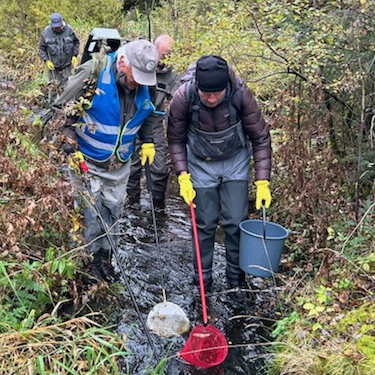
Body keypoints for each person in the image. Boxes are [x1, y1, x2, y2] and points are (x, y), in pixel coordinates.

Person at [50, 39, 159, 280]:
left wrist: (148, 139)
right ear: (122, 62)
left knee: (113, 214)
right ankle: (85, 268)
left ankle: (105, 261)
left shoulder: (145, 81)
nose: (138, 83)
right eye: (135, 76)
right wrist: (70, 149)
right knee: (89, 216)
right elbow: (60, 113)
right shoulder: (93, 73)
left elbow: (149, 111)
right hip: (86, 161)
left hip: (120, 165)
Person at [167, 54, 272, 295]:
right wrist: (183, 175)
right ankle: (202, 281)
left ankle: (236, 278)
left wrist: (263, 180)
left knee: (236, 220)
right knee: (204, 223)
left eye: (217, 93)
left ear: (226, 87)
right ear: (198, 88)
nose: (212, 99)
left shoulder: (240, 95)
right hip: (201, 164)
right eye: (207, 94)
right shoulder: (183, 97)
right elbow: (175, 140)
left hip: (235, 161)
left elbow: (261, 138)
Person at [127, 34, 179, 210]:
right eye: (162, 56)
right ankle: (132, 206)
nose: (164, 61)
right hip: (134, 122)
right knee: (132, 167)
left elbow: (178, 100)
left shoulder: (172, 75)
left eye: (168, 56)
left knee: (160, 168)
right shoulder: (140, 64)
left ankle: (158, 207)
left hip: (155, 123)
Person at [38, 12, 80, 96]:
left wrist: (75, 55)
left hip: (67, 64)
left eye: (58, 26)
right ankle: (53, 107)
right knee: (53, 87)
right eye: (55, 27)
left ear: (62, 23)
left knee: (68, 86)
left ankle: (67, 106)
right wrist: (47, 61)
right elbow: (41, 49)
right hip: (53, 66)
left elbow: (76, 42)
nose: (57, 28)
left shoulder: (69, 30)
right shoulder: (46, 32)